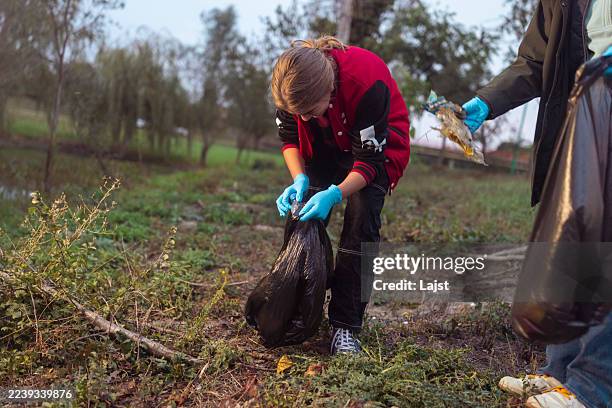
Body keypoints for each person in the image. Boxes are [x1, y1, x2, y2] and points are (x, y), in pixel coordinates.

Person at [460, 0, 612, 406]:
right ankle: (558, 373)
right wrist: (488, 101)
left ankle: (591, 388)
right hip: (585, 113)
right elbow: (534, 59)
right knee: (571, 237)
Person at [270, 36, 411, 355]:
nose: (302, 117)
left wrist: (335, 193)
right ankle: (298, 306)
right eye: (296, 111)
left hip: (376, 149)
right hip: (326, 140)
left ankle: (344, 328)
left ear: (328, 89)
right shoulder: (292, 90)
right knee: (302, 210)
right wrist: (300, 179)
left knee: (361, 220)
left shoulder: (367, 82)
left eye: (307, 110)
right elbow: (290, 137)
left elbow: (369, 163)